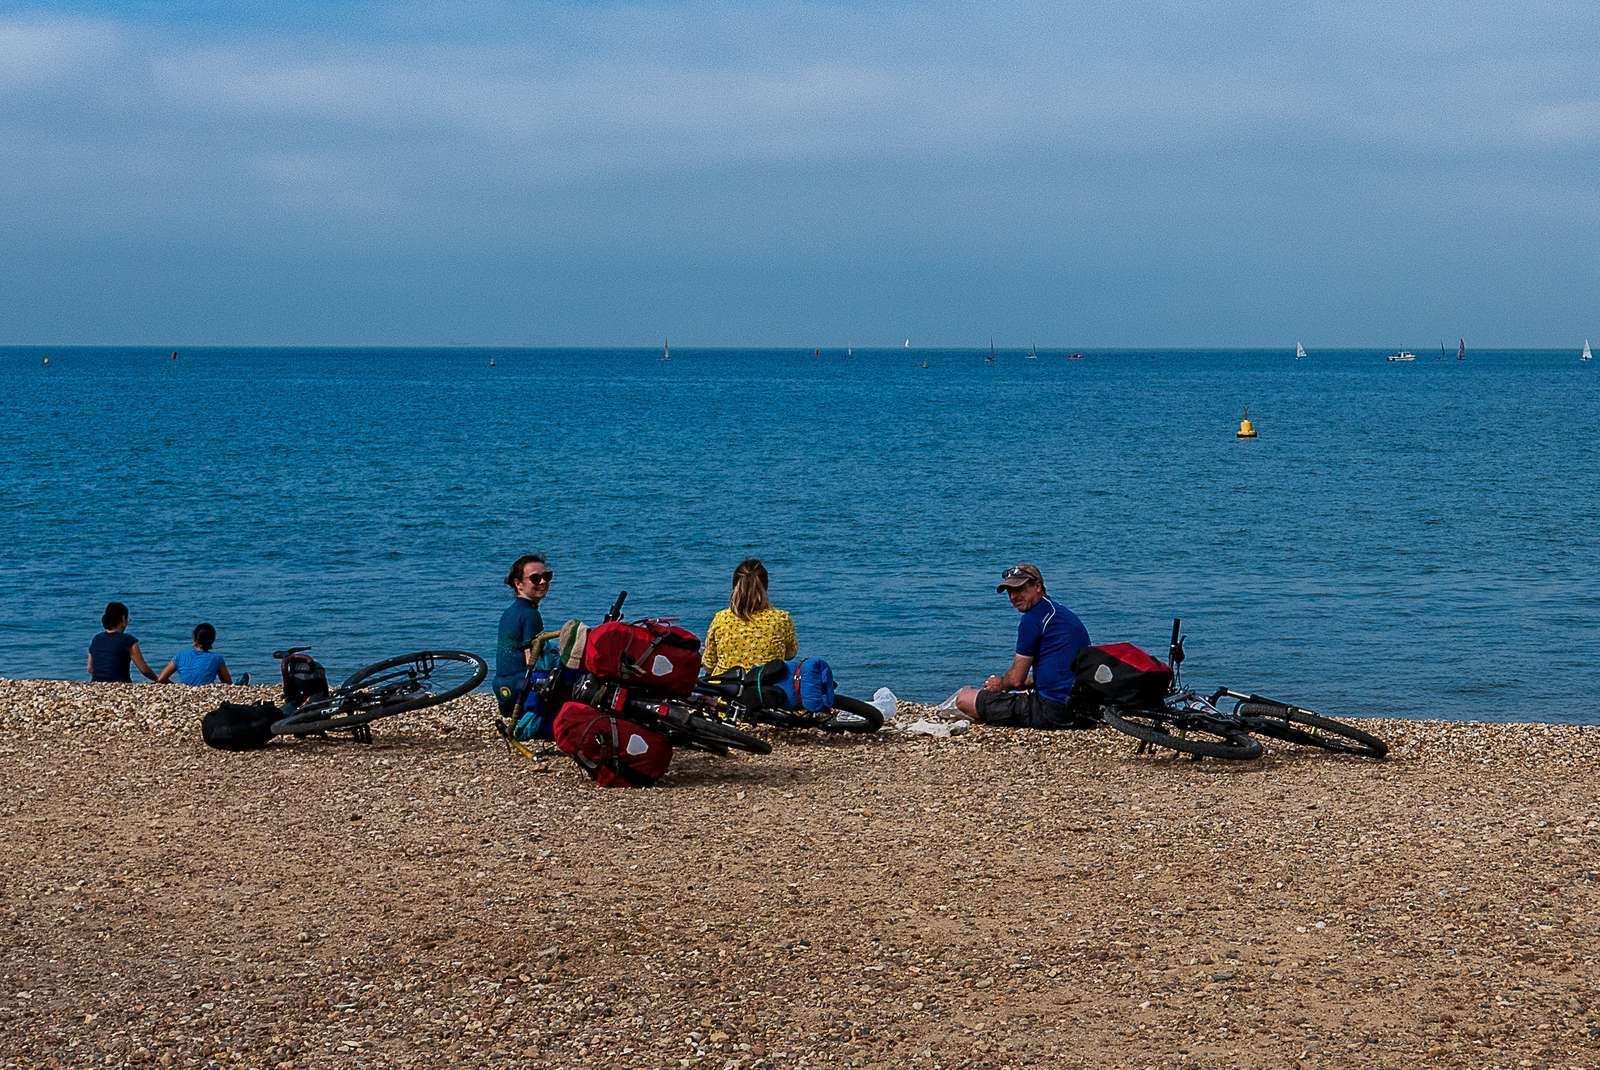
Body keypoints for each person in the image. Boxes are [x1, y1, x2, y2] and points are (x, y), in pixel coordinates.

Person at [954, 563, 1091, 729]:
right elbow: (1058, 672)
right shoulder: (1059, 613)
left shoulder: (1032, 619)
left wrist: (1000, 684)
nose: (1013, 597)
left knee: (964, 698)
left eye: (1020, 590)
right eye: (1010, 592)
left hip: (1053, 711)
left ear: (1038, 587)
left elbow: (1016, 680)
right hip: (1082, 708)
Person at [701, 558, 799, 678]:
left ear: (734, 587)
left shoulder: (721, 619)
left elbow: (709, 664)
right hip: (766, 691)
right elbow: (790, 654)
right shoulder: (781, 619)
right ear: (766, 587)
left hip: (727, 691)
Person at [494, 554, 554, 717]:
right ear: (518, 584)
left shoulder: (510, 612)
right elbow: (531, 659)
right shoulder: (530, 614)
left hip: (502, 688)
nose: (543, 582)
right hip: (520, 689)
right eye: (535, 578)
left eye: (547, 576)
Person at [87, 601, 158, 683]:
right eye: (128, 619)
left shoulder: (96, 638)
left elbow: (90, 668)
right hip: (121, 683)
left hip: (96, 683)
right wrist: (158, 679)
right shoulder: (128, 640)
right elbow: (144, 670)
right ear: (123, 619)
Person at [156, 622, 246, 685]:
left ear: (194, 638)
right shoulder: (217, 658)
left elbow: (161, 679)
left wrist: (177, 686)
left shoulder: (180, 655)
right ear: (213, 640)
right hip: (205, 690)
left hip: (186, 689)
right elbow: (227, 683)